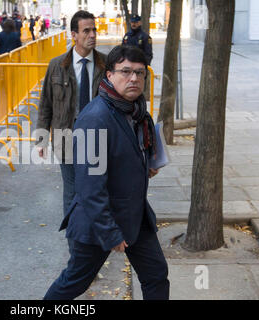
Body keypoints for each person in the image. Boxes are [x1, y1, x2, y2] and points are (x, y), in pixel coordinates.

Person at [44, 45, 169, 300]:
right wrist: (109, 232)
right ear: (109, 75)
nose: (134, 78)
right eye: (125, 71)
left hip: (135, 214)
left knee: (156, 275)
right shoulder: (96, 118)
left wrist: (144, 167)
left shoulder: (135, 110)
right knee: (74, 282)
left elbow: (124, 154)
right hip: (98, 219)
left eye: (140, 73)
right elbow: (90, 186)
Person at [36, 10, 106, 219]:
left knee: (96, 188)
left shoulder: (106, 64)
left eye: (94, 30)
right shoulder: (57, 65)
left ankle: (95, 234)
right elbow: (46, 103)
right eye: (86, 31)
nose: (92, 35)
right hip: (65, 136)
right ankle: (74, 238)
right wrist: (41, 139)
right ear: (74, 35)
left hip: (98, 137)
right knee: (72, 189)